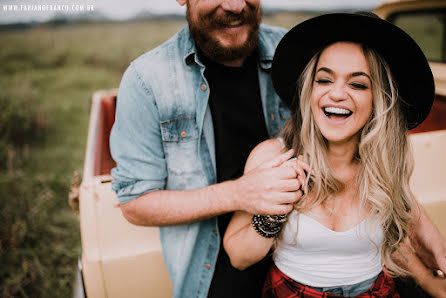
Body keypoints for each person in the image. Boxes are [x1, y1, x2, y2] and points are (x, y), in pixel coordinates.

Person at [223, 12, 446, 297]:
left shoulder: (387, 162)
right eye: (324, 80)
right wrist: (275, 211)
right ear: (309, 90)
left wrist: (428, 281)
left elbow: (394, 240)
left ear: (379, 99)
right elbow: (239, 257)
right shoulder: (272, 157)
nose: (338, 94)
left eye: (357, 84)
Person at [109, 1, 304, 297]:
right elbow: (136, 204)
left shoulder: (297, 55)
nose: (236, 5)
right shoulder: (147, 80)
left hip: (304, 273)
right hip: (215, 285)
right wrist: (239, 194)